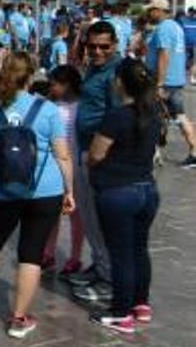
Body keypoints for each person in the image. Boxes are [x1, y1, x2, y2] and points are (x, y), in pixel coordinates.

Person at [0, 52, 75, 339]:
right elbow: (63, 155)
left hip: (4, 191)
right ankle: (19, 319)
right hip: (44, 192)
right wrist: (69, 191)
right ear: (31, 77)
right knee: (30, 255)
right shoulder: (47, 110)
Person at [82, 58, 161, 334]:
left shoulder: (117, 116)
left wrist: (93, 167)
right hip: (146, 189)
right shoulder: (153, 112)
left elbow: (96, 153)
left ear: (121, 83)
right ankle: (141, 304)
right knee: (140, 249)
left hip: (118, 192)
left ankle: (121, 312)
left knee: (121, 254)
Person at [69, 20, 121, 303]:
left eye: (104, 46)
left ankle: (109, 278)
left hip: (99, 154)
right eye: (92, 46)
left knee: (101, 219)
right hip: (85, 148)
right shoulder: (94, 67)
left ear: (115, 45)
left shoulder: (116, 73)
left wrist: (99, 152)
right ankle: (99, 264)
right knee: (88, 215)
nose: (98, 51)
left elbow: (118, 117)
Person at [41, 65, 86, 276]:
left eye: (54, 84)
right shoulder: (51, 106)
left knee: (76, 215)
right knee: (52, 212)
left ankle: (75, 256)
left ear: (67, 84)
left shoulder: (82, 106)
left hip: (76, 164)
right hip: (54, 165)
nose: (51, 87)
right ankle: (48, 252)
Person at [143, 0, 196, 168]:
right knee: (164, 116)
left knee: (175, 116)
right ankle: (156, 151)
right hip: (174, 79)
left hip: (167, 81)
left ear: (158, 10)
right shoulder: (175, 26)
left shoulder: (165, 28)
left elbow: (164, 55)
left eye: (151, 10)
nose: (148, 13)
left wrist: (159, 83)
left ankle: (194, 150)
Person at [181, 7, 196, 84]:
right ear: (188, 12)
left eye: (194, 13)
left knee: (194, 62)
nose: (193, 14)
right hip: (185, 45)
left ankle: (192, 77)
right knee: (184, 61)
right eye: (191, 12)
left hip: (194, 45)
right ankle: (182, 78)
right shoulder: (184, 21)